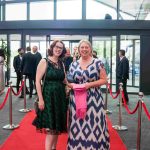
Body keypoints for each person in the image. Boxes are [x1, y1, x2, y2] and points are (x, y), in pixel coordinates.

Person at [67, 40, 110, 149]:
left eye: (87, 47)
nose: (84, 49)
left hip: (93, 99)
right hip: (76, 99)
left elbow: (104, 80)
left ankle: (95, 146)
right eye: (82, 47)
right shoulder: (73, 64)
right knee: (77, 124)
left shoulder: (98, 63)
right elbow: (69, 81)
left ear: (90, 49)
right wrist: (72, 86)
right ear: (78, 49)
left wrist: (88, 85)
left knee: (94, 124)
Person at [32, 40, 67, 150]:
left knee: (57, 128)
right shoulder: (44, 61)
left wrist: (80, 85)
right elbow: (37, 81)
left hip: (60, 98)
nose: (58, 49)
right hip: (48, 97)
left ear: (62, 51)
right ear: (52, 47)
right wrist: (40, 100)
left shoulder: (62, 63)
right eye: (56, 47)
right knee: (51, 128)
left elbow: (65, 81)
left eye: (60, 48)